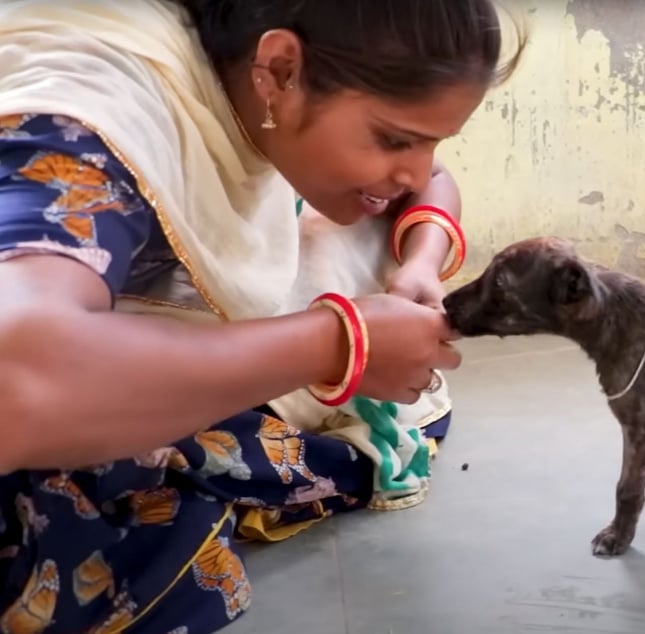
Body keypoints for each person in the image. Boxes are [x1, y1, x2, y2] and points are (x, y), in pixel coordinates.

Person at [0, 1, 527, 632]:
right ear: (280, 70)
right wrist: (340, 343)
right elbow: (18, 380)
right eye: (395, 139)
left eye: (430, 141)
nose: (414, 168)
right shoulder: (85, 119)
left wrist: (418, 264)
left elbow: (429, 180)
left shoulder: (237, 88)